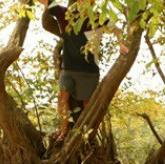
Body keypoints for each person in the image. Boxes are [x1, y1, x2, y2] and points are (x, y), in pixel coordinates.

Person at [38, 0, 128, 141]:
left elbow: (117, 30)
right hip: (68, 69)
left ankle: (85, 135)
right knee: (62, 98)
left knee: (87, 104)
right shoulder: (64, 13)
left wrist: (121, 44)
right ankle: (63, 131)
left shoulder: (98, 17)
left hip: (89, 70)